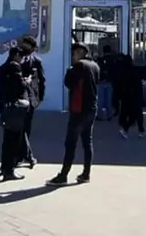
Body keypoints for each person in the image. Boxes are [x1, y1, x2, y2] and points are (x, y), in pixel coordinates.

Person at [47, 43, 100, 186]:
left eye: (74, 52)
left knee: (70, 143)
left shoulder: (79, 66)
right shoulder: (95, 66)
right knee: (87, 142)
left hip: (79, 109)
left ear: (80, 52)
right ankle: (86, 173)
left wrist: (69, 71)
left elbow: (68, 83)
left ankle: (63, 175)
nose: (73, 55)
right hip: (91, 108)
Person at [0, 47, 28, 181]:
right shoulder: (15, 67)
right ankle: (9, 170)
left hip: (6, 105)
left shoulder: (1, 68)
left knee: (7, 139)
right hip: (15, 106)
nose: (22, 60)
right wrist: (27, 81)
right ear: (16, 55)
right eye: (21, 56)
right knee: (14, 139)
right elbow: (20, 86)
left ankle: (5, 167)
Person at [17, 35, 45, 168]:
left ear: (32, 49)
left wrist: (40, 97)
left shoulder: (36, 61)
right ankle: (27, 156)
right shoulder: (16, 59)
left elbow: (42, 80)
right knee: (19, 128)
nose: (24, 49)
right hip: (18, 98)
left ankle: (22, 155)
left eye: (27, 47)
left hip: (31, 98)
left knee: (26, 129)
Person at [116, 52, 146, 138]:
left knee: (134, 115)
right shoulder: (136, 73)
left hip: (129, 97)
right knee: (136, 114)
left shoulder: (127, 72)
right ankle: (137, 130)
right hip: (135, 97)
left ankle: (138, 130)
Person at [95, 45, 118, 121]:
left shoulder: (99, 60)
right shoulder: (113, 60)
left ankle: (100, 115)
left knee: (100, 100)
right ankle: (109, 116)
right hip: (110, 82)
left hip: (101, 81)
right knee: (109, 99)